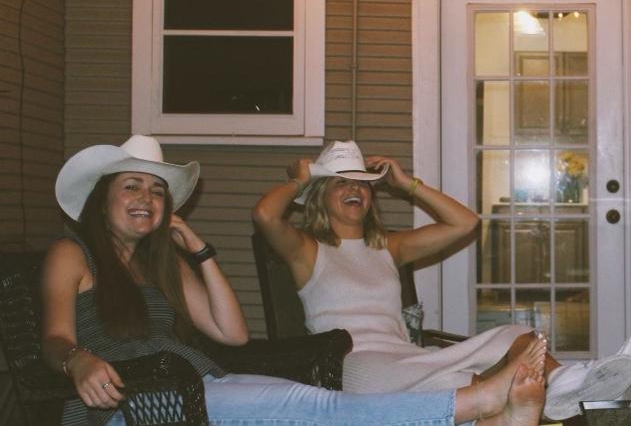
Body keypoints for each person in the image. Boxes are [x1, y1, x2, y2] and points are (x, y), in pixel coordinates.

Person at [43, 134, 549, 426]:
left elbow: (231, 335)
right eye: (132, 186)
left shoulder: (163, 265)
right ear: (101, 200)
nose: (147, 199)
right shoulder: (73, 253)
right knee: (312, 405)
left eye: (157, 191)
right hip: (136, 400)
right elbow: (54, 339)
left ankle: (510, 405)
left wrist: (198, 251)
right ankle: (480, 403)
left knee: (305, 404)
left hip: (196, 383)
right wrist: (77, 360)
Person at [253, 140, 631, 421]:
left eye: (362, 182)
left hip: (409, 356)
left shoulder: (388, 247)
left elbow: (466, 222)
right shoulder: (306, 250)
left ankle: (565, 381)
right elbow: (266, 216)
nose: (355, 187)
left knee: (518, 335)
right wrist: (300, 180)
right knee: (459, 382)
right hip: (354, 365)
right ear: (321, 195)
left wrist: (406, 184)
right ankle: (565, 396)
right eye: (341, 181)